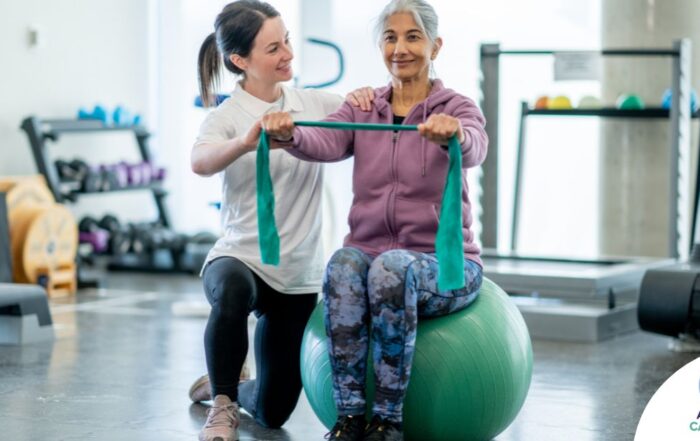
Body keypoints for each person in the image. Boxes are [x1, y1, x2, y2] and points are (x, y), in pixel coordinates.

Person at [261, 0, 488, 440]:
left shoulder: (456, 107)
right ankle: (349, 419)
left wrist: (454, 134)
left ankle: (387, 422)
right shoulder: (364, 107)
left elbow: (477, 145)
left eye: (412, 36)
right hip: (373, 260)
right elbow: (323, 138)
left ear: (435, 45)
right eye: (390, 37)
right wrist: (290, 133)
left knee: (390, 269)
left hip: (445, 268)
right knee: (345, 263)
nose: (399, 48)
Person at [190, 2, 372, 440]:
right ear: (240, 61)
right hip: (241, 257)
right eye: (274, 47)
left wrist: (368, 98)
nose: (288, 52)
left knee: (273, 412)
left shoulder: (314, 103)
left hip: (296, 274)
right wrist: (244, 142)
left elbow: (365, 114)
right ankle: (222, 404)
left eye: (287, 39)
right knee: (231, 291)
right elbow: (199, 161)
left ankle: (223, 385)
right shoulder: (226, 117)